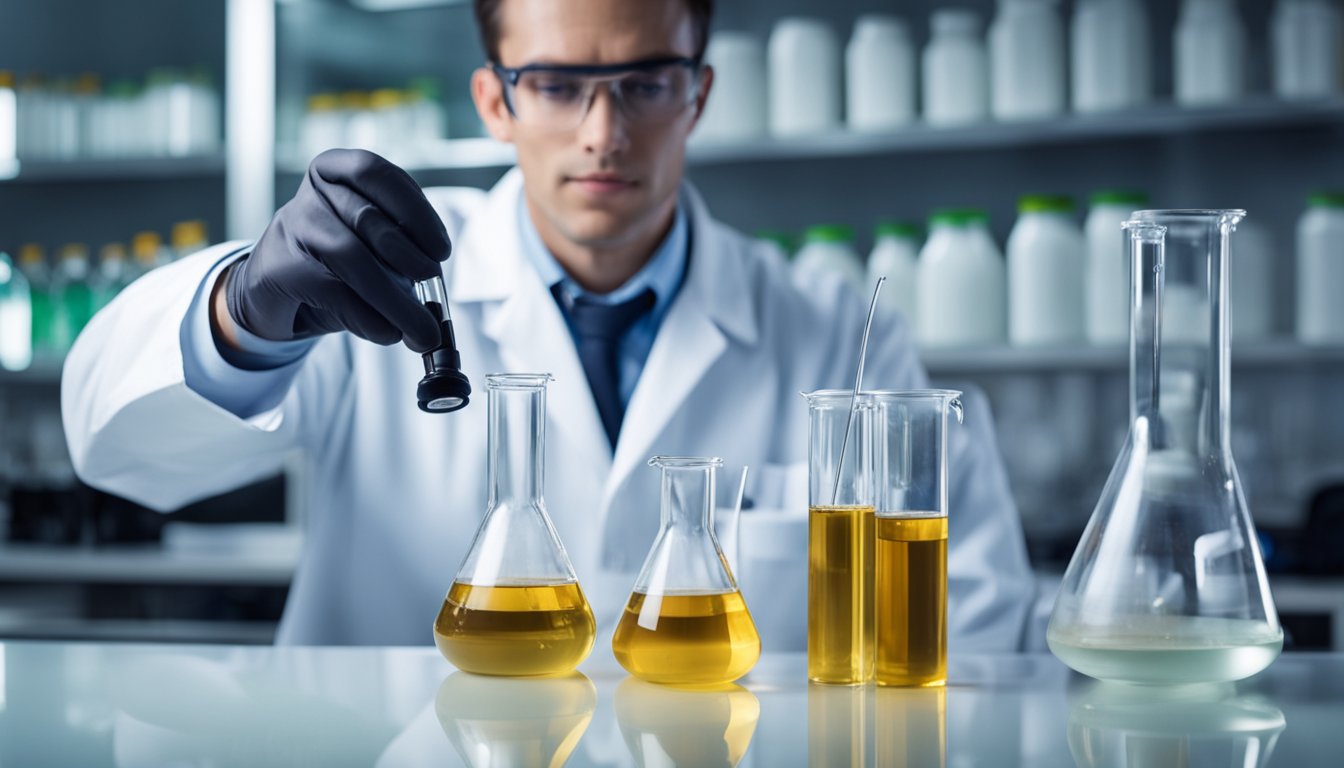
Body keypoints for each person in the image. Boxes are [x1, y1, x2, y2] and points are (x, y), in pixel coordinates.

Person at [62, 0, 1034, 650]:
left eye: (646, 84)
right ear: (495, 99)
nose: (603, 135)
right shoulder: (377, 282)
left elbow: (980, 633)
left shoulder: (830, 336)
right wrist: (242, 318)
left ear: (698, 92)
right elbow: (117, 454)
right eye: (559, 86)